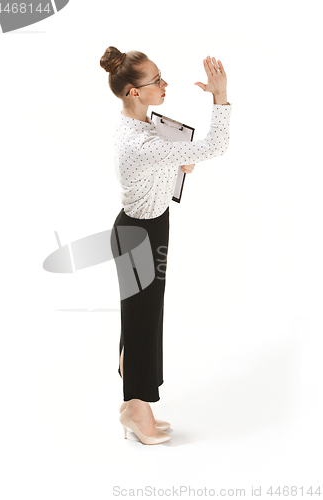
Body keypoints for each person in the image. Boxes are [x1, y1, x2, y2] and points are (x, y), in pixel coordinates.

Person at [100, 46, 232, 445]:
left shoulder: (140, 126)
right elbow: (215, 146)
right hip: (140, 235)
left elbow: (162, 157)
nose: (164, 84)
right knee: (141, 323)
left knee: (141, 319)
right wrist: (220, 97)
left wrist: (175, 162)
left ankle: (133, 405)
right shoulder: (141, 142)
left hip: (145, 229)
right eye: (156, 80)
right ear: (133, 93)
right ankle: (137, 411)